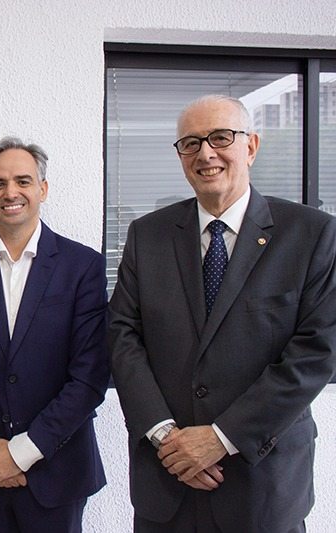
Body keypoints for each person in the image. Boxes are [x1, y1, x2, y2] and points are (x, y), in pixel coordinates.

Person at [108, 94, 336, 533]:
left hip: (261, 484)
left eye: (220, 138)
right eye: (190, 143)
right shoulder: (147, 235)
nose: (205, 153)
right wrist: (165, 436)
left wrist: (220, 438)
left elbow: (316, 353)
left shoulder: (311, 234)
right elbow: (122, 336)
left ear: (251, 146)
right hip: (167, 478)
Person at [0, 136, 109, 532]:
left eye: (23, 181)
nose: (11, 192)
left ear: (42, 189)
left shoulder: (83, 266)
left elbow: (89, 377)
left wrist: (21, 453)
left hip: (57, 469)